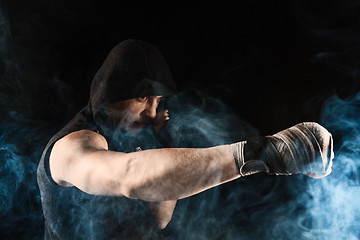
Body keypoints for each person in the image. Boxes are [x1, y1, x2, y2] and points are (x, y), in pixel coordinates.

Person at [37, 39, 334, 239]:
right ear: (112, 93)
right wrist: (263, 153)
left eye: (157, 100)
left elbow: (157, 220)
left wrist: (161, 143)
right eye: (143, 96)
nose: (152, 111)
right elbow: (130, 176)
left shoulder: (129, 138)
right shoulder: (71, 148)